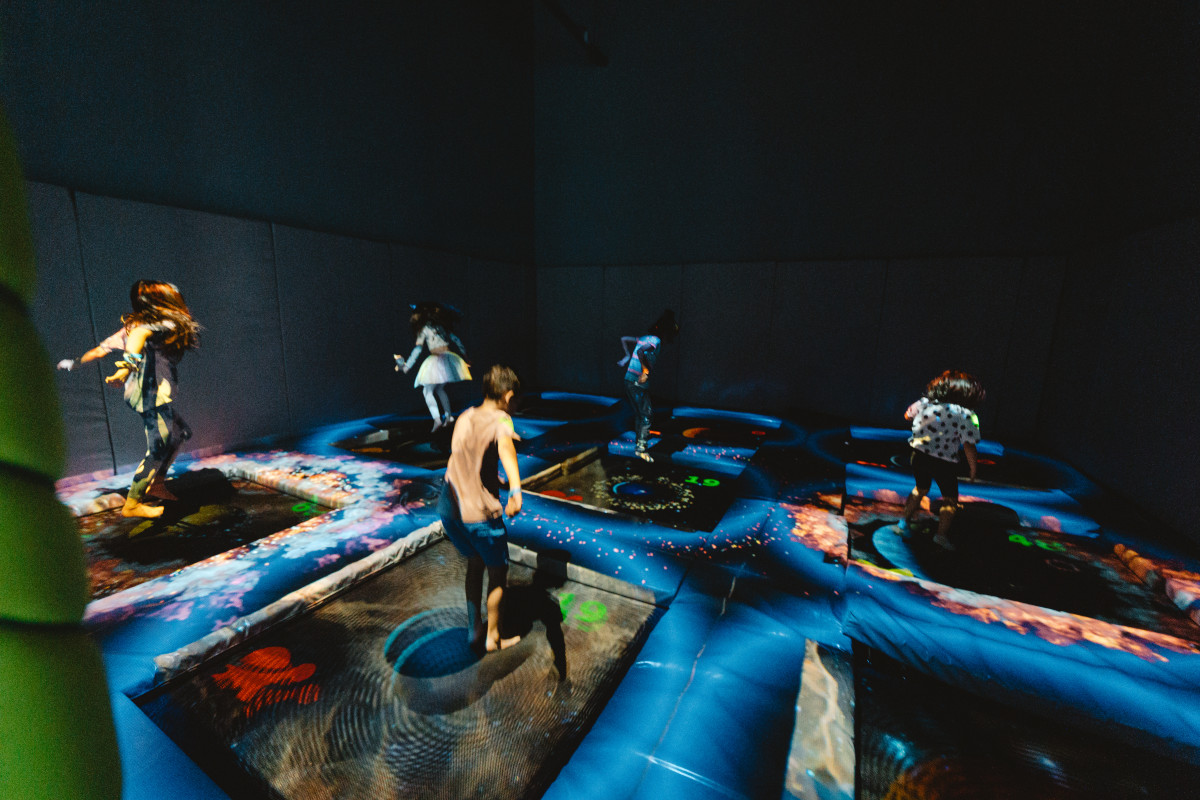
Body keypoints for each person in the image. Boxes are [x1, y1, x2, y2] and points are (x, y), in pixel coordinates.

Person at [57, 280, 200, 518]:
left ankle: (156, 483)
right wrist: (126, 367)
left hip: (152, 391)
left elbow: (102, 349)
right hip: (150, 395)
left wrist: (76, 363)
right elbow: (137, 338)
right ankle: (133, 502)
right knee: (159, 447)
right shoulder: (151, 326)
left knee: (180, 434)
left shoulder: (148, 324)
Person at [438, 364, 524, 653]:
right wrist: (515, 489)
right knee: (498, 573)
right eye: (516, 402)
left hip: (450, 510)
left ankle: (474, 631)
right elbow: (506, 449)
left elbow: (465, 458)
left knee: (475, 565)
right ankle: (493, 638)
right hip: (480, 517)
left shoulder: (466, 416)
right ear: (508, 397)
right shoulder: (502, 419)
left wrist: (492, 478)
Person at [892, 370, 985, 550]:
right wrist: (973, 468)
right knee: (950, 499)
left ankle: (903, 523)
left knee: (920, 488)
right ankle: (940, 536)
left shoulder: (924, 403)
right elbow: (969, 445)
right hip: (944, 463)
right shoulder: (966, 415)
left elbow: (907, 415)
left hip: (919, 456)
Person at [395, 302, 471, 431]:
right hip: (449, 358)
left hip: (437, 360)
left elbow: (418, 349)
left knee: (427, 391)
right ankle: (448, 416)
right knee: (440, 388)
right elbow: (457, 340)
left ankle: (437, 419)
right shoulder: (442, 327)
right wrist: (465, 357)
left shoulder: (424, 329)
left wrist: (407, 365)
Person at [617, 309, 679, 462]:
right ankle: (641, 448)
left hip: (628, 380)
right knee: (646, 415)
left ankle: (640, 440)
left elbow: (624, 339)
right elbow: (641, 352)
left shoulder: (644, 338)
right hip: (637, 382)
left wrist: (626, 356)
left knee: (641, 413)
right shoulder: (655, 341)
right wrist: (645, 371)